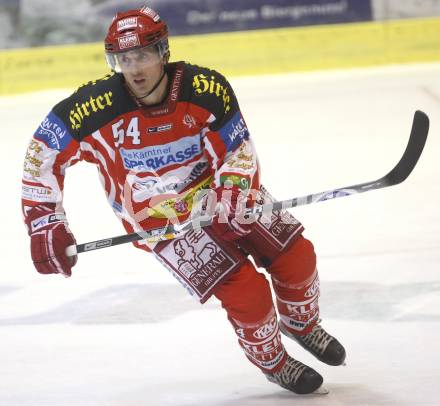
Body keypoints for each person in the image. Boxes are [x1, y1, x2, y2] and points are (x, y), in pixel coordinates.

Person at [21, 6, 346, 394]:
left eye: (142, 55)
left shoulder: (206, 89)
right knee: (247, 292)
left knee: (298, 255)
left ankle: (301, 324)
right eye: (124, 59)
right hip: (158, 220)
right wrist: (45, 222)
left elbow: (237, 148)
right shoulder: (92, 109)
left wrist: (234, 191)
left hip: (221, 195)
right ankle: (273, 362)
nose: (134, 68)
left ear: (162, 52)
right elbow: (41, 155)